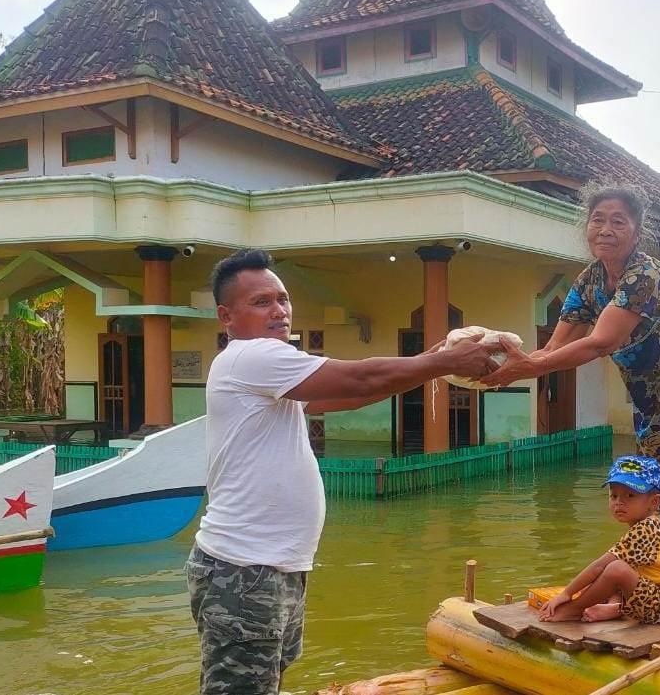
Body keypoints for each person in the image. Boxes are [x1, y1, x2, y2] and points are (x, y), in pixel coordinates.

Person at [187, 248, 498, 695]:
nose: (279, 311)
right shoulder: (251, 358)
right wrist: (445, 363)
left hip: (273, 566)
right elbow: (359, 379)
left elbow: (352, 395)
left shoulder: (270, 372)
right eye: (261, 302)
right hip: (244, 567)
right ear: (226, 317)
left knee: (266, 683)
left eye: (283, 299)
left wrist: (434, 356)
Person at [486, 182, 660, 611]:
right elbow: (552, 349)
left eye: (618, 222)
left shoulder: (643, 275)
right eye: (598, 220)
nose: (605, 229)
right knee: (650, 479)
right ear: (587, 227)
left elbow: (601, 342)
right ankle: (651, 574)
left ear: (637, 232)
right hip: (657, 387)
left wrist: (528, 367)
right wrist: (500, 369)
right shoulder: (588, 283)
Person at [540, 455, 660, 624]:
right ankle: (614, 607)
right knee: (615, 569)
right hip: (651, 594)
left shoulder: (647, 528)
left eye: (630, 495)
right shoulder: (646, 525)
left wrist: (567, 594)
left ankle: (574, 610)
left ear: (654, 502)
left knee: (617, 568)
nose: (619, 502)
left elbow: (599, 566)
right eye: (614, 495)